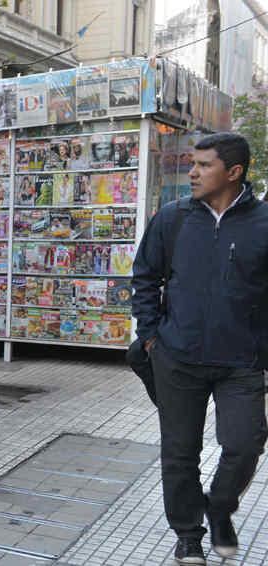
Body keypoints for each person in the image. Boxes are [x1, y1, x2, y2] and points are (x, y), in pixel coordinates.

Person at [132, 133, 268, 565]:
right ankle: (188, 533)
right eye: (193, 163)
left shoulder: (263, 224)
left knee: (246, 444)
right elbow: (145, 277)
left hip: (242, 362)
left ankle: (220, 506)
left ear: (233, 173)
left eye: (204, 165)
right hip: (178, 357)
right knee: (179, 452)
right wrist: (152, 335)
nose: (192, 172)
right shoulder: (173, 218)